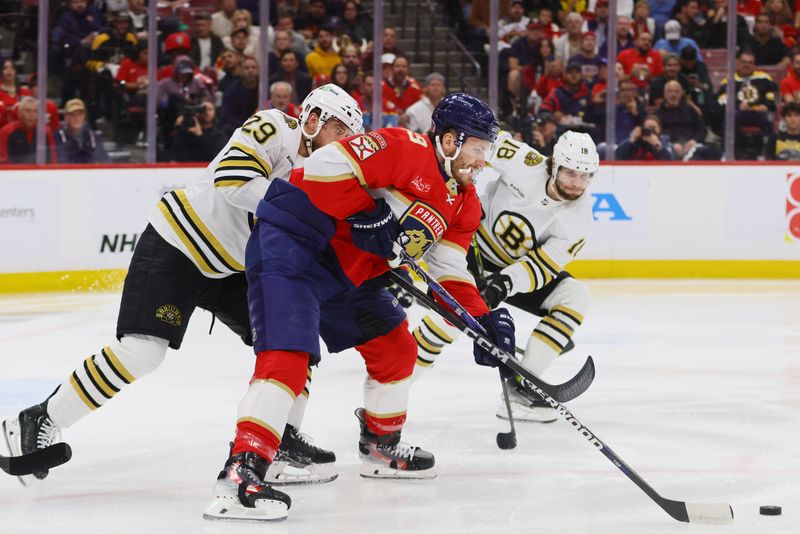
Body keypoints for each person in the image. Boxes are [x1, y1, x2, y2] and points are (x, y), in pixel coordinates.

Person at [1, 85, 363, 488]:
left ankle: (280, 440)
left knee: (294, 343)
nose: (344, 144)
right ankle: (38, 419)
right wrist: (306, 210)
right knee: (142, 351)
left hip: (231, 269)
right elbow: (234, 180)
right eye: (339, 130)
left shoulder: (323, 171)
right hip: (180, 242)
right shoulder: (275, 126)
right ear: (312, 120)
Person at [203, 93, 505, 522]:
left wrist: (482, 320)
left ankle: (381, 448)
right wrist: (369, 211)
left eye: (486, 152)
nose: (481, 161)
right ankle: (241, 473)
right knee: (288, 358)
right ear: (451, 140)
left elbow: (449, 267)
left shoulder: (464, 202)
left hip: (350, 276)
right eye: (477, 148)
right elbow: (322, 166)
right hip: (295, 250)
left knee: (397, 347)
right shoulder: (403, 147)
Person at [410, 130, 597, 423]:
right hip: (468, 246)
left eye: (585, 176)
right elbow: (479, 145)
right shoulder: (525, 160)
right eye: (571, 172)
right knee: (451, 320)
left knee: (575, 297)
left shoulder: (580, 217)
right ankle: (395, 382)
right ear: (554, 164)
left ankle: (522, 388)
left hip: (511, 270)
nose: (577, 183)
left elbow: (542, 265)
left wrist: (503, 284)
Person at [655, 80, 707, 160]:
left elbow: (702, 130)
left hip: (691, 145)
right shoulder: (657, 113)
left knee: (705, 151)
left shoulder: (690, 110)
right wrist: (671, 144)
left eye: (676, 92)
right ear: (664, 94)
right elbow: (655, 134)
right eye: (670, 91)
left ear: (681, 94)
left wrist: (694, 141)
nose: (673, 94)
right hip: (668, 146)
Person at [0, 96, 57, 164]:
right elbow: (3, 161)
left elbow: (53, 159)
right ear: (19, 113)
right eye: (28, 111)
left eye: (35, 111)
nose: (31, 115)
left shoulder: (45, 131)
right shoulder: (6, 132)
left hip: (41, 172)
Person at [55, 98, 110, 164]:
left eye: (80, 114)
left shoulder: (93, 137)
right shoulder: (58, 137)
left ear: (84, 116)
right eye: (73, 114)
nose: (77, 118)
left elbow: (105, 161)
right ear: (66, 117)